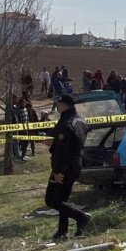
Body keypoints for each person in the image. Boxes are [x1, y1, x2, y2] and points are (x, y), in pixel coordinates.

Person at [44, 94, 92, 240]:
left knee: (52, 200)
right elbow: (73, 142)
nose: (57, 107)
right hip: (75, 164)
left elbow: (62, 151)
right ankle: (62, 231)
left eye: (58, 104)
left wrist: (58, 171)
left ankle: (81, 217)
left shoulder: (65, 123)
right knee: (62, 199)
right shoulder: (79, 120)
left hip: (64, 167)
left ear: (64, 105)